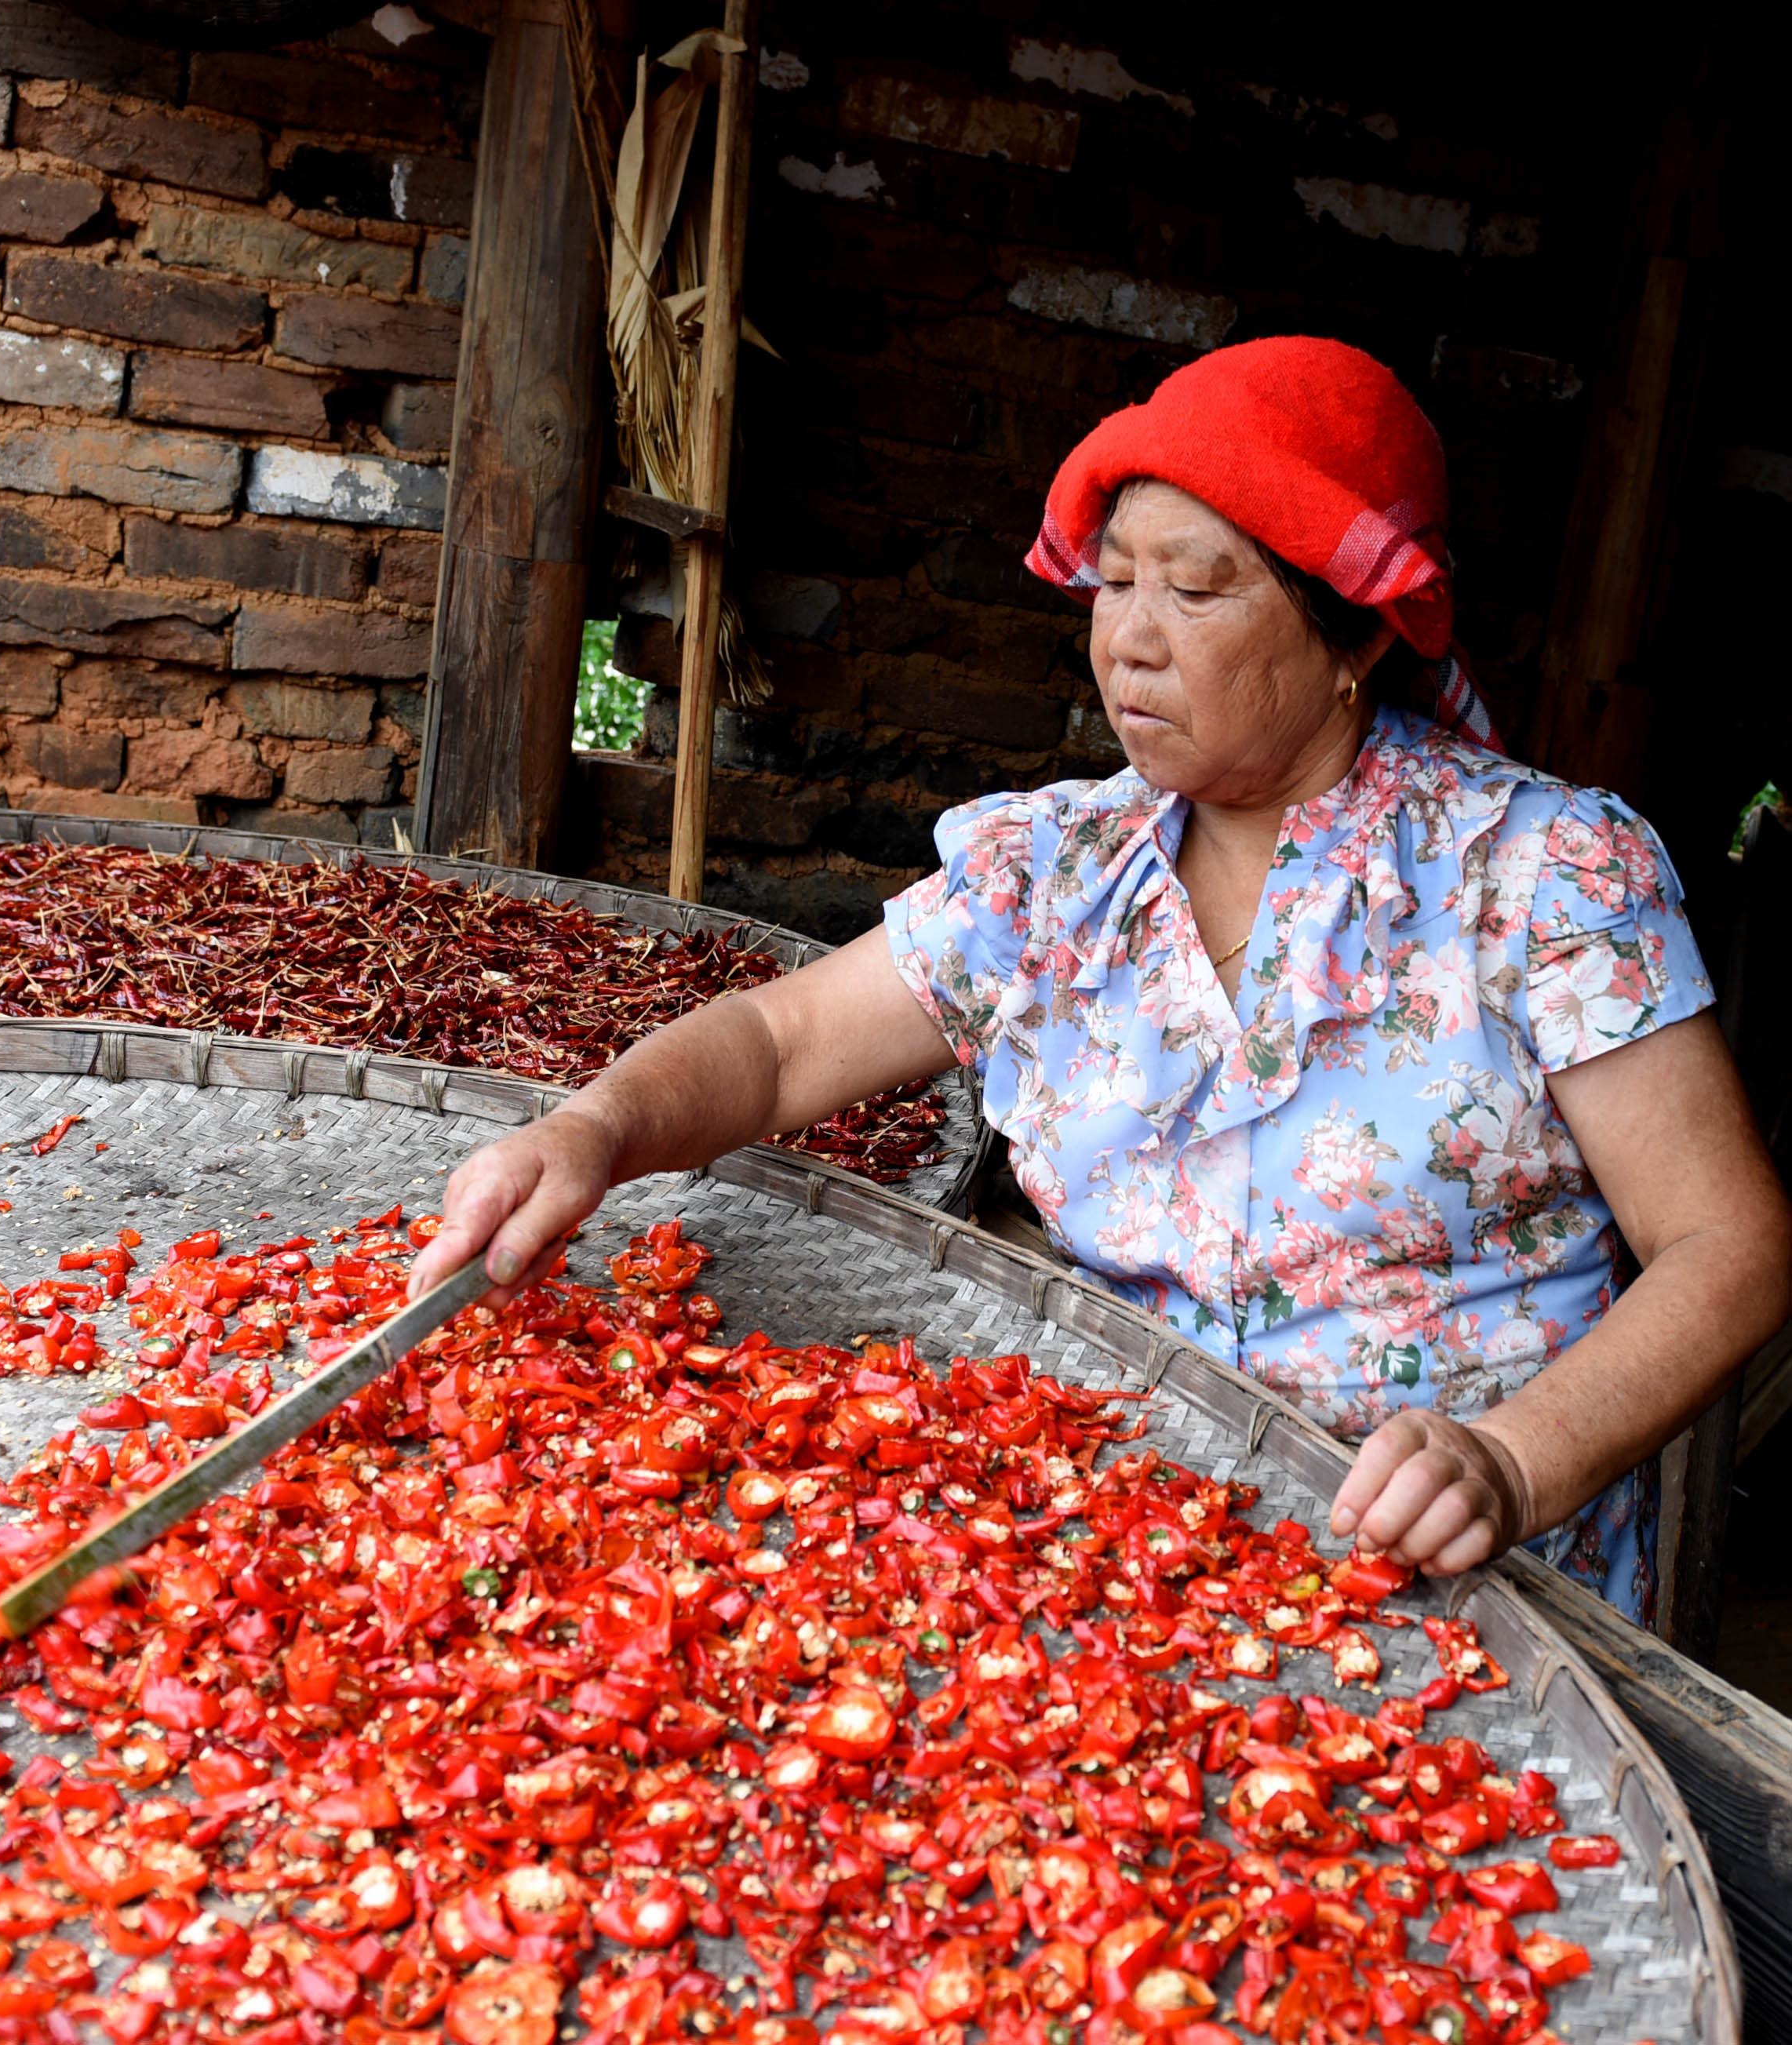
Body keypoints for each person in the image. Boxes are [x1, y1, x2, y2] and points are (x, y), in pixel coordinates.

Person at [408, 336, 1792, 1625]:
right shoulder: (1053, 869)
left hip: (1468, 1576)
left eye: (1194, 588)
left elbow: (1722, 1245)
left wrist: (1506, 1459)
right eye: (1113, 578)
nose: (1127, 635)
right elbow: (776, 1043)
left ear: (1357, 636)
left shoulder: (1538, 874)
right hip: (1135, 1537)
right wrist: (595, 1126)